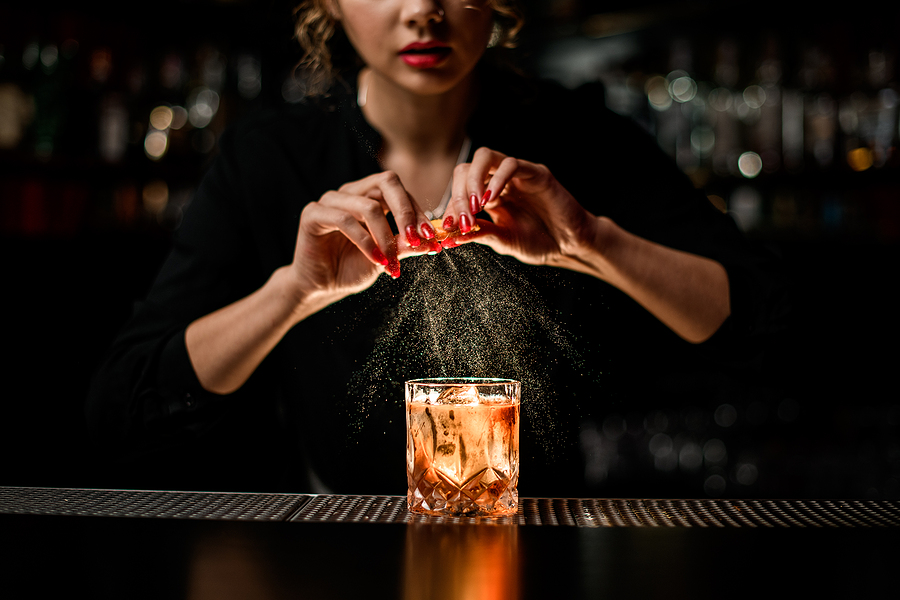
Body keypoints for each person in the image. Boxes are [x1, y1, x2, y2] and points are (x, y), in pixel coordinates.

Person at [86, 0, 787, 495]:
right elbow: (128, 409)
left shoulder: (581, 138)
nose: (424, 10)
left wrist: (590, 241)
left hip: (546, 543)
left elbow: (762, 322)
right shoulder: (268, 159)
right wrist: (291, 292)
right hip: (328, 554)